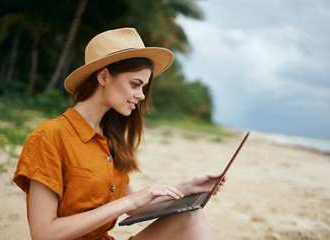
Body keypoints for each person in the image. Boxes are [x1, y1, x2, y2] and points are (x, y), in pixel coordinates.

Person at [13, 28, 226, 240]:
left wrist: (190, 187)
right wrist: (126, 203)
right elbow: (43, 234)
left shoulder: (111, 137)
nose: (141, 95)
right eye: (135, 84)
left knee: (191, 216)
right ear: (104, 76)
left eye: (143, 87)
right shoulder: (51, 135)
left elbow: (135, 206)